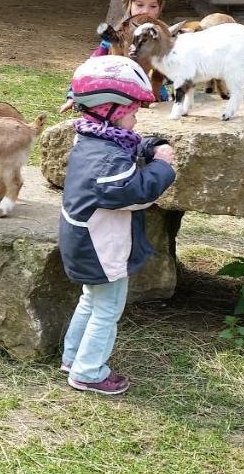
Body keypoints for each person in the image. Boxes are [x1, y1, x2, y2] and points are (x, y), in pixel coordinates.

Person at [58, 55, 177, 395]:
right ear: (111, 108)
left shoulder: (96, 138)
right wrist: (163, 168)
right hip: (100, 246)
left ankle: (73, 356)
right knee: (107, 309)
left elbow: (130, 145)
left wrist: (151, 145)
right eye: (133, 112)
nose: (136, 118)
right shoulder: (108, 157)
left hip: (83, 240)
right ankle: (89, 372)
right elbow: (133, 193)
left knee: (91, 299)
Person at [60, 0, 173, 113]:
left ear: (160, 7)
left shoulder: (162, 36)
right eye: (140, 5)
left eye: (153, 6)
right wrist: (73, 95)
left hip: (154, 100)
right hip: (119, 98)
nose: (146, 11)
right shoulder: (116, 36)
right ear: (128, 4)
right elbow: (92, 66)